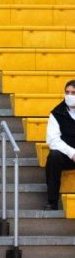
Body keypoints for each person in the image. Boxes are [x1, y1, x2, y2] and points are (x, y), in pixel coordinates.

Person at [45, 79, 75, 210]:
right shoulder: (56, 113)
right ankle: (52, 202)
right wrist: (72, 153)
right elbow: (53, 140)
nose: (69, 96)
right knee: (53, 156)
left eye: (73, 93)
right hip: (67, 156)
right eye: (67, 92)